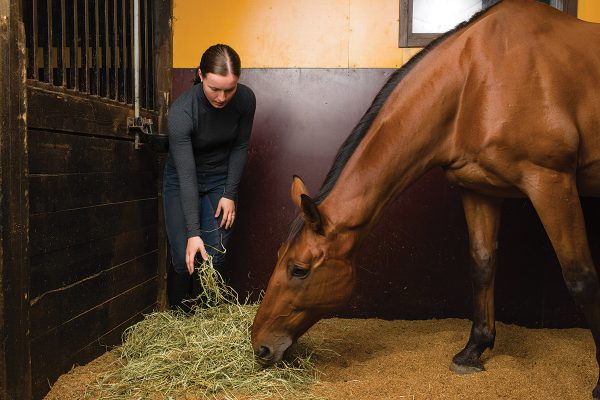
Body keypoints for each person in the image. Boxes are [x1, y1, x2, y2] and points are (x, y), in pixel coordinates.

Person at [163, 44, 256, 311]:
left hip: (220, 179)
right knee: (185, 256)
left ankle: (210, 320)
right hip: (182, 180)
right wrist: (193, 232)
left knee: (215, 255)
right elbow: (187, 175)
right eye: (215, 88)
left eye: (229, 89)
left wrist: (229, 193)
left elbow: (240, 146)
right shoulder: (182, 113)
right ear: (200, 75)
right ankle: (179, 320)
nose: (222, 97)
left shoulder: (246, 100)